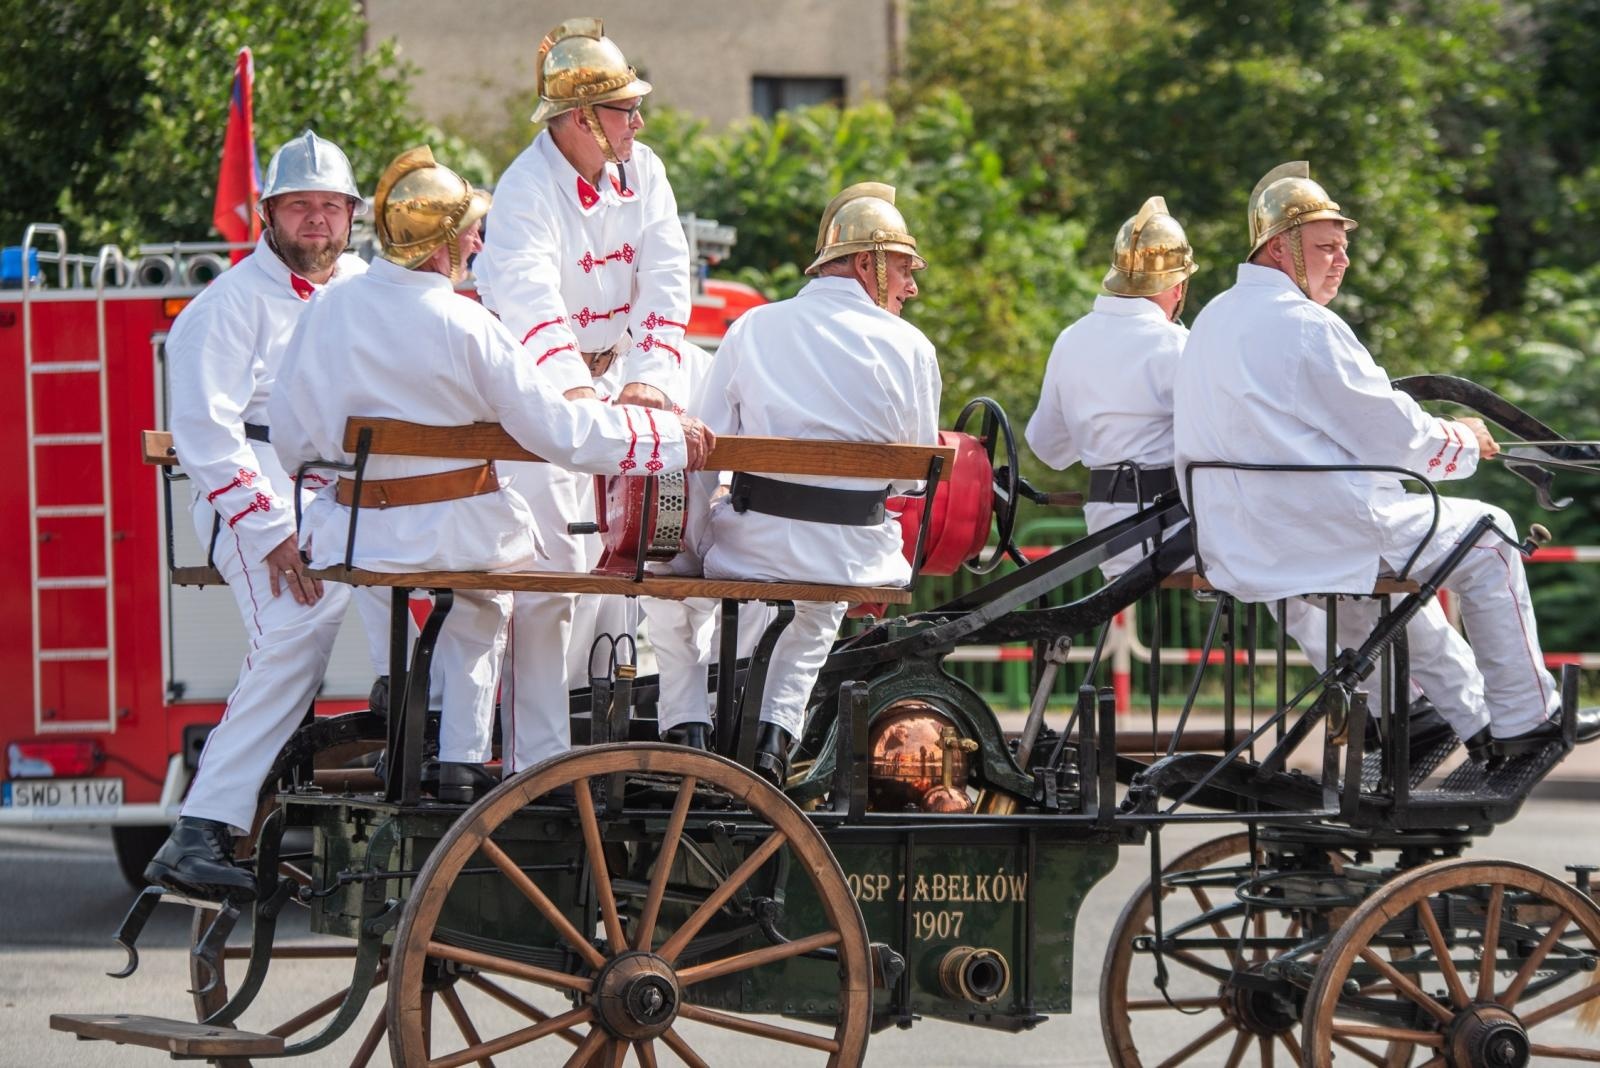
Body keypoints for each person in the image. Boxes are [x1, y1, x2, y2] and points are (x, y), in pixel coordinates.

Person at [269, 145, 713, 815]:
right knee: (491, 593)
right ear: (443, 243)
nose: (479, 242)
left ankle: (445, 750)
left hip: (356, 538)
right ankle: (461, 762)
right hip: (454, 539)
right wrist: (667, 441)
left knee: (475, 593)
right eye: (471, 231)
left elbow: (289, 439)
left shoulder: (327, 310)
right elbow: (563, 435)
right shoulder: (469, 324)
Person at [1173, 160, 1600, 764]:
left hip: (1244, 539)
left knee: (1382, 594)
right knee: (1490, 535)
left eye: (1343, 247)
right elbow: (1392, 435)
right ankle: (1529, 717)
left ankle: (1442, 719)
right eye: (1326, 247)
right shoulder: (1304, 324)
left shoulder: (1214, 318)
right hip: (1316, 530)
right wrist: (1463, 439)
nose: (1341, 260)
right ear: (1277, 249)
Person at [144, 131, 395, 904]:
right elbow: (206, 434)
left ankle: (418, 746)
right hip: (261, 490)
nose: (316, 220)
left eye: (330, 206)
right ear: (268, 215)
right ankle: (199, 830)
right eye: (299, 206)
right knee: (295, 630)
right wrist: (269, 530)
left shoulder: (369, 287)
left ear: (352, 215)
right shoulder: (225, 305)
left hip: (353, 493)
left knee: (429, 592)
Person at [655, 182, 941, 784]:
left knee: (671, 598)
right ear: (867, 263)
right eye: (903, 268)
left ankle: (689, 729)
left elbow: (703, 451)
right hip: (851, 554)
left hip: (753, 548)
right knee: (817, 611)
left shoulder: (753, 327)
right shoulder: (913, 346)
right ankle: (769, 743)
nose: (910, 286)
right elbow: (909, 478)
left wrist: (691, 549)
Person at [473, 17, 692, 776]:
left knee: (624, 560)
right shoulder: (523, 189)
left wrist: (649, 378)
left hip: (616, 377)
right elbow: (531, 304)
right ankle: (534, 764)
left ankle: (599, 746)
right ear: (580, 119)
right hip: (536, 385)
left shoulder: (645, 171)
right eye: (625, 109)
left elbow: (667, 278)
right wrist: (576, 393)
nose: (639, 123)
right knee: (551, 572)